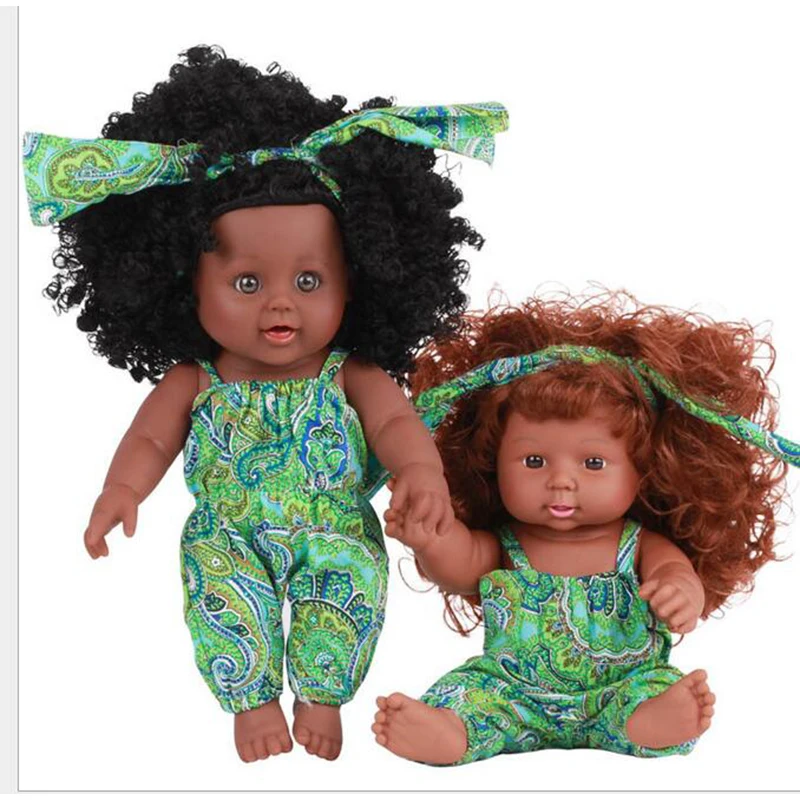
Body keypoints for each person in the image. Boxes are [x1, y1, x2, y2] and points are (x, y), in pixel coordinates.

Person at [23, 45, 507, 762]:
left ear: (354, 281)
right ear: (187, 285)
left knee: (344, 591)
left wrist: (421, 473)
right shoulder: (196, 380)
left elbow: (395, 422)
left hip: (334, 525)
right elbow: (150, 440)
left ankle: (322, 692)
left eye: (309, 282)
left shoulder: (350, 373)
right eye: (247, 284)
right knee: (220, 597)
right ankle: (250, 699)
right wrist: (121, 491)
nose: (281, 303)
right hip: (228, 531)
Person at [373, 291, 795, 764]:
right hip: (515, 693)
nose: (561, 481)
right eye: (534, 461)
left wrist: (681, 593)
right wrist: (433, 538)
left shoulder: (639, 545)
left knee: (652, 688)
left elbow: (676, 573)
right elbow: (461, 567)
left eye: (593, 463)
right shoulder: (506, 544)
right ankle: (453, 730)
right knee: (469, 693)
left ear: (644, 468)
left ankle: (648, 721)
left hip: (621, 686)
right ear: (492, 462)